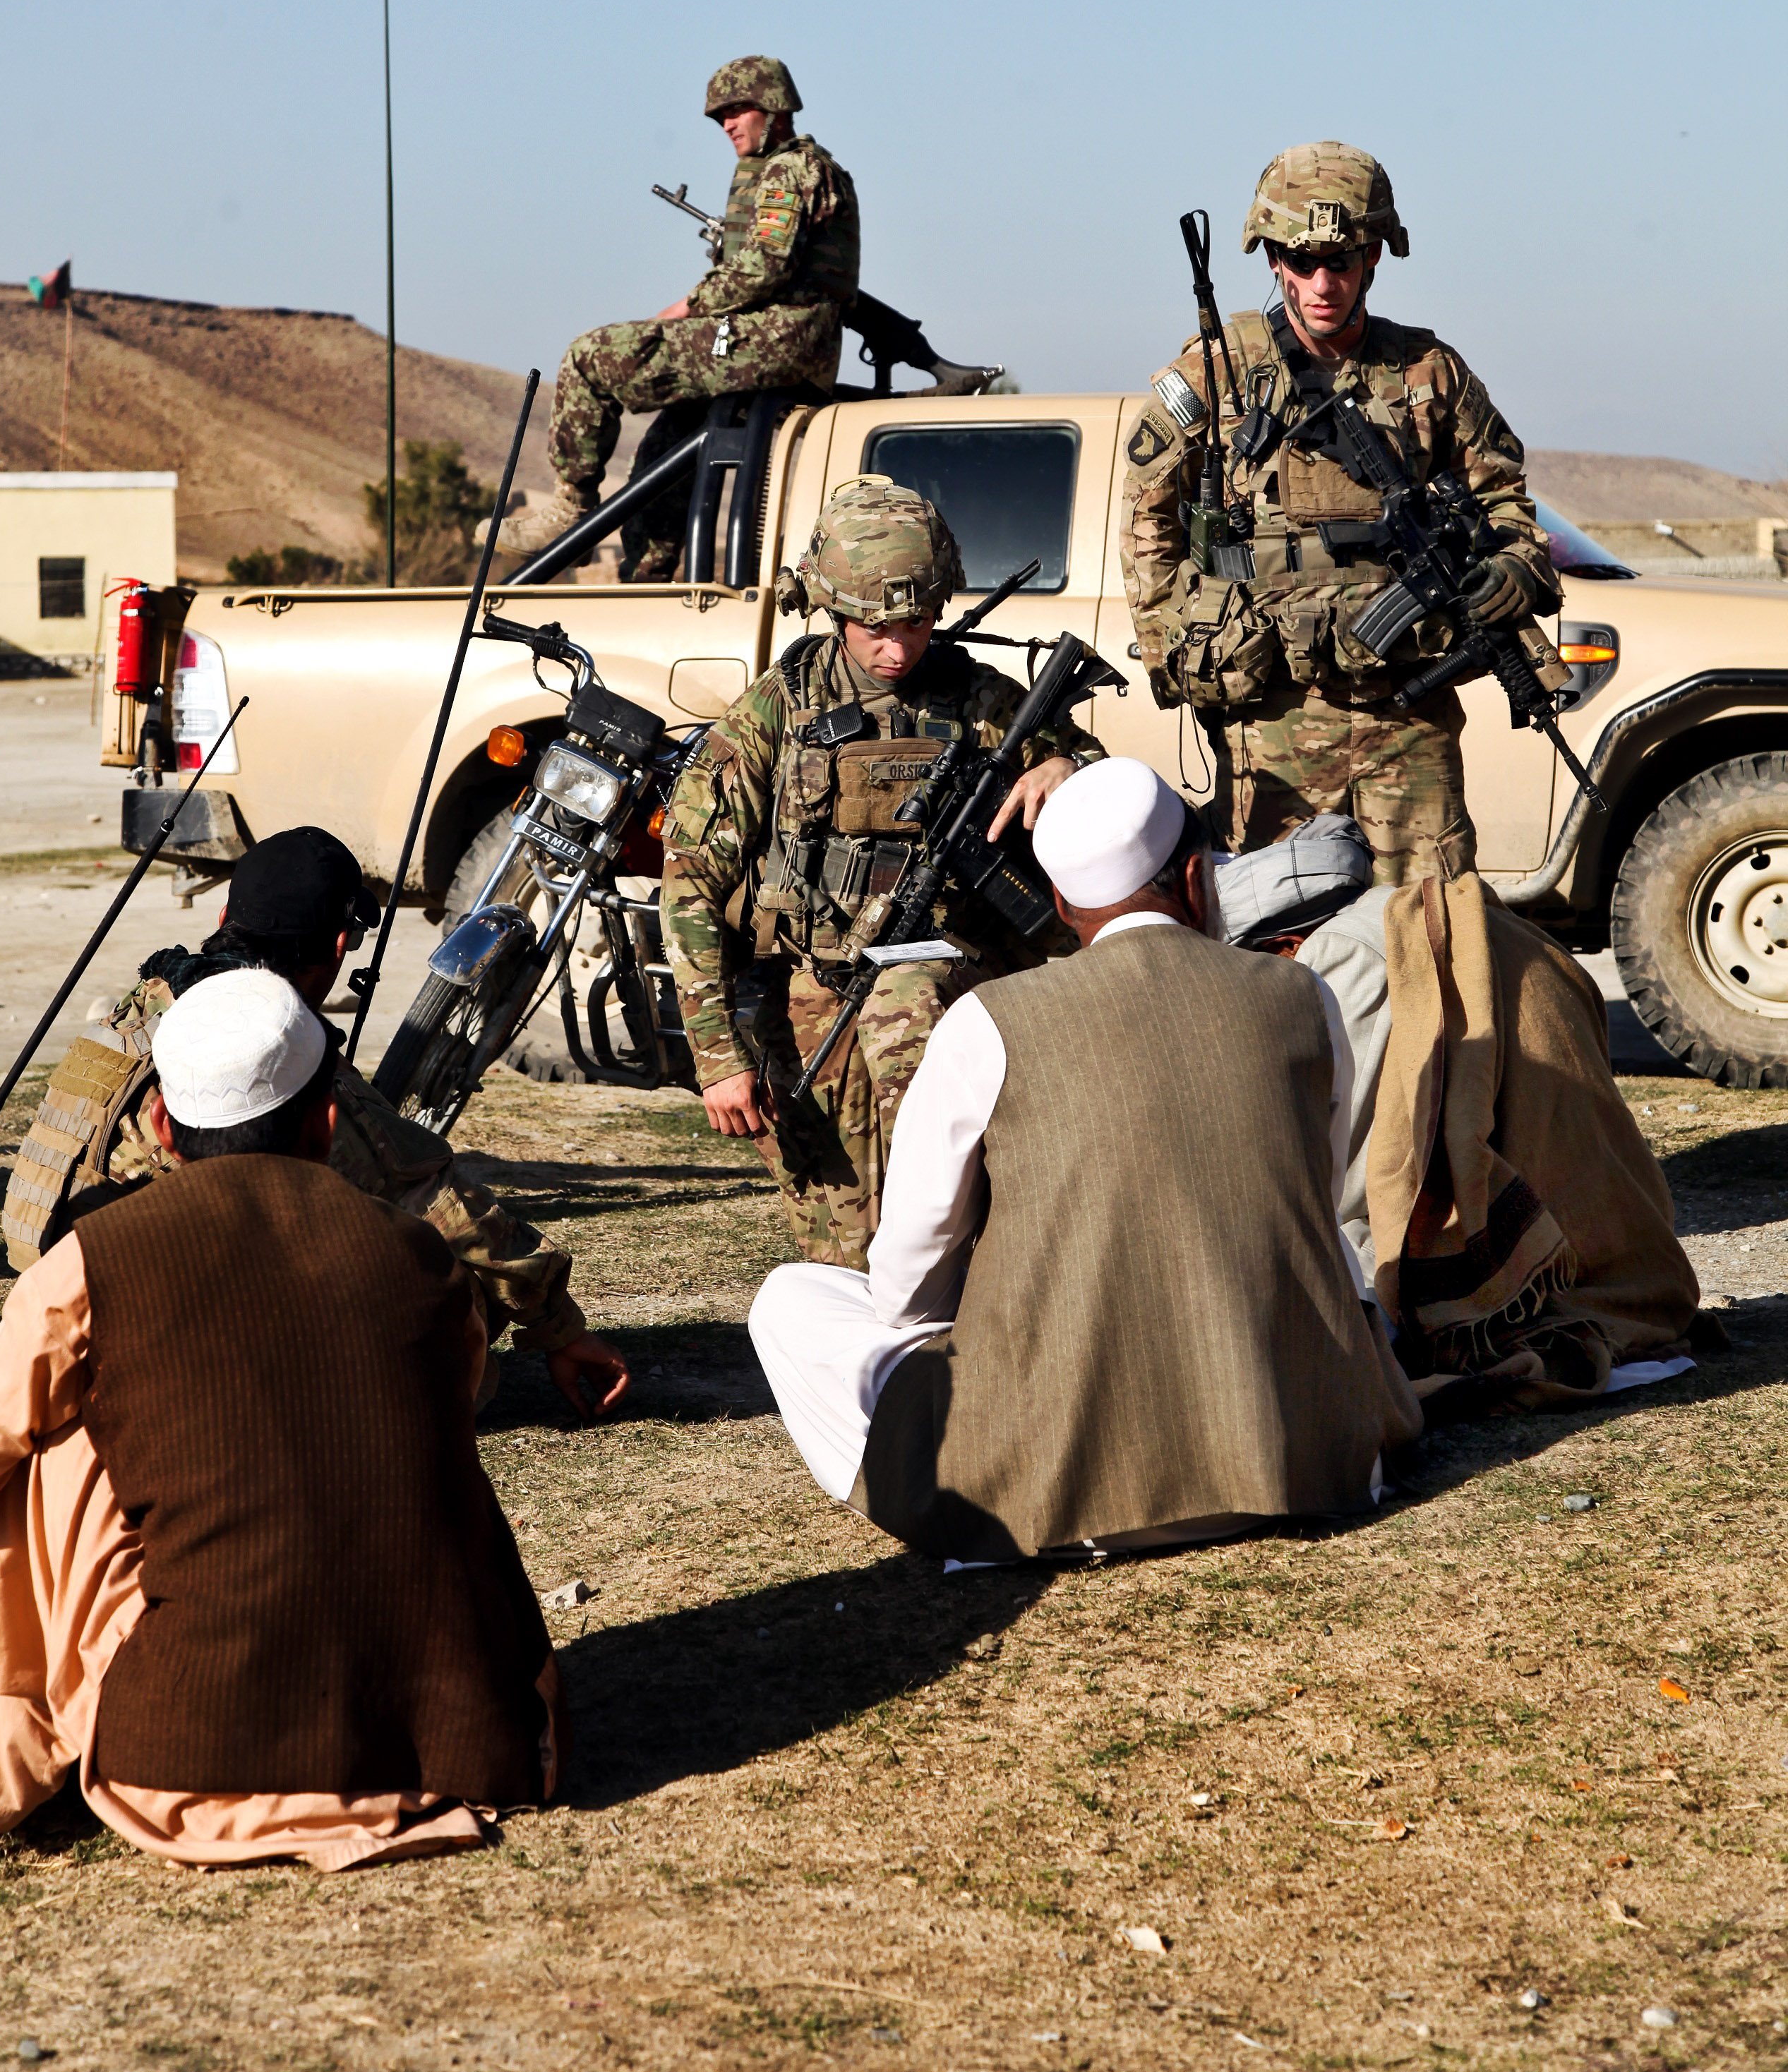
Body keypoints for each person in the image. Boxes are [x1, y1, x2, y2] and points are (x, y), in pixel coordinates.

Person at [0, 972, 560, 1862]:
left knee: (34, 1445)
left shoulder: (90, 1263)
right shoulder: (419, 1254)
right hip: (470, 1737)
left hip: (190, 1754)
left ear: (160, 1128)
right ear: (329, 1123)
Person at [748, 758, 1422, 1560]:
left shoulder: (988, 1019)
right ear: (1199, 879)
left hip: (1066, 1496)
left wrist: (959, 1334)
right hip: (1300, 1455)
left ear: (1063, 905)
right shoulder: (1300, 994)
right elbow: (1320, 1182)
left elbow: (913, 1263)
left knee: (792, 1297)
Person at [4, 826, 627, 1420]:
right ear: (337, 947)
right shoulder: (277, 1054)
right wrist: (559, 1329)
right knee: (440, 1282)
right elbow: (442, 1207)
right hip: (191, 1365)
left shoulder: (135, 1015)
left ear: (223, 918)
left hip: (68, 1325)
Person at [660, 476, 1102, 1267]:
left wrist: (1066, 766)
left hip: (952, 980)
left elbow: (1104, 793)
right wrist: (717, 1057)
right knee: (845, 1247)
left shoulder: (979, 698)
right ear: (831, 610)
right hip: (815, 992)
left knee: (946, 1210)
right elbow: (689, 879)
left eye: (916, 623)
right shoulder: (775, 711)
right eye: (873, 628)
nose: (897, 648)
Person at [1117, 140, 1564, 884]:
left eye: (1343, 260)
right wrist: (1189, 644)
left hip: (1406, 713)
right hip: (1270, 720)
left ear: (1374, 258)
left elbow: (1506, 508)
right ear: (1270, 260)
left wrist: (1513, 570)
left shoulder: (1429, 372)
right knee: (1271, 940)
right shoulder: (1215, 370)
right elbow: (1146, 527)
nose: (1321, 283)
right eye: (1300, 261)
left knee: (1432, 928)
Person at [1216, 819, 1702, 1407]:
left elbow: (1344, 1178)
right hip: (1620, 1245)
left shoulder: (1340, 954)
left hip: (1527, 1273)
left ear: (1280, 947)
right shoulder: (1454, 916)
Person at [510, 56, 860, 575]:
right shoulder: (794, 169)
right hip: (780, 343)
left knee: (591, 356)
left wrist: (687, 308)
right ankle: (646, 574)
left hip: (777, 342)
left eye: (738, 110)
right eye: (721, 116)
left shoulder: (790, 168)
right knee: (660, 458)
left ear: (774, 107)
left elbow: (763, 266)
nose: (727, 124)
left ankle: (571, 506)